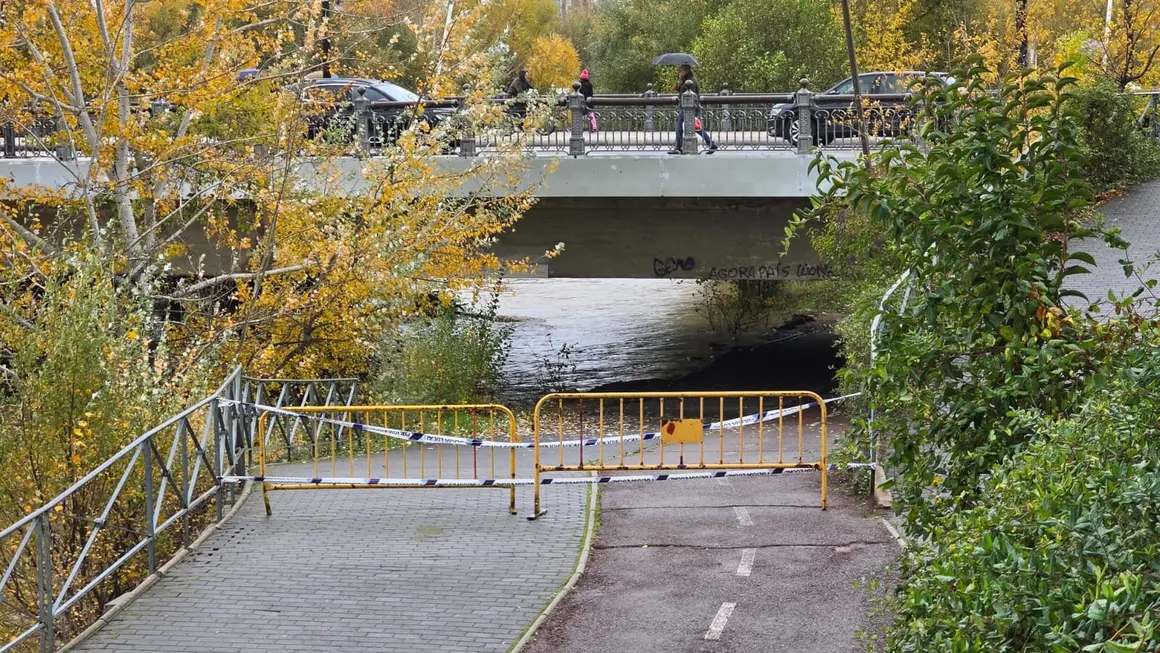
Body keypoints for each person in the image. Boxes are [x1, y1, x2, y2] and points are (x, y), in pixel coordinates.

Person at [670, 63, 717, 154]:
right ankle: (711, 144)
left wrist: (681, 87)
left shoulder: (690, 81)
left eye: (680, 70)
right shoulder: (687, 80)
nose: (679, 72)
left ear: (686, 70)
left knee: (680, 126)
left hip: (689, 108)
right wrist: (679, 87)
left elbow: (690, 94)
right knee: (696, 128)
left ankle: (678, 147)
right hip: (689, 108)